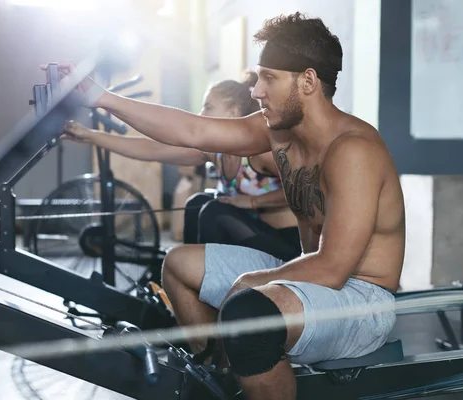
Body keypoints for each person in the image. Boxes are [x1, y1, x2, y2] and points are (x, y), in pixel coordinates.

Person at [47, 12, 405, 400]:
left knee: (247, 314)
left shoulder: (353, 151)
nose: (256, 90)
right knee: (179, 265)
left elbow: (334, 268)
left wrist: (249, 283)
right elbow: (193, 131)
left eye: (269, 77)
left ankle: (249, 364)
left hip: (360, 300)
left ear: (308, 81)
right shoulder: (279, 132)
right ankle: (224, 380)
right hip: (308, 276)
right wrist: (99, 96)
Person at [62, 72, 301, 262]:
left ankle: (203, 285)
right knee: (196, 204)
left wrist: (253, 202)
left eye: (208, 107)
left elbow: (306, 190)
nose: (201, 114)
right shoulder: (213, 151)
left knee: (213, 211)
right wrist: (90, 136)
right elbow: (152, 149)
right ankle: (192, 279)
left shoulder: (261, 154)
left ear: (234, 112)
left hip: (285, 245)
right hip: (248, 237)